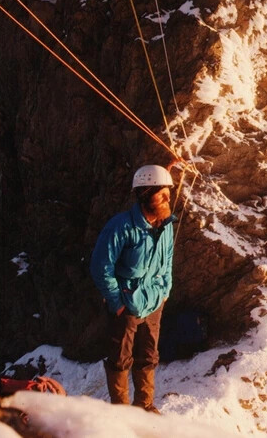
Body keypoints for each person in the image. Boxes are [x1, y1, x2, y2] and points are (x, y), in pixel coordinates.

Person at [90, 164, 176, 413]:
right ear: (145, 194)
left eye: (168, 193)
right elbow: (100, 267)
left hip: (154, 302)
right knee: (120, 359)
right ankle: (122, 413)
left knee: (148, 356)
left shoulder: (166, 225)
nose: (167, 198)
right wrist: (117, 303)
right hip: (127, 305)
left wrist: (165, 291)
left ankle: (145, 405)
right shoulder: (120, 227)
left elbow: (168, 259)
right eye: (162, 193)